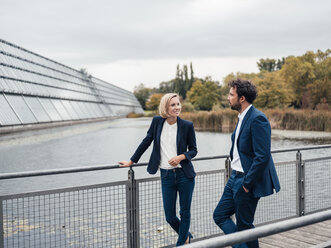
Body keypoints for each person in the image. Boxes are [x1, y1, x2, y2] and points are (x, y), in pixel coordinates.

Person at [119, 93, 197, 246]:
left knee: (185, 212)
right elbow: (146, 141)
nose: (177, 107)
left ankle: (182, 243)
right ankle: (186, 236)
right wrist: (131, 160)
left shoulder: (187, 126)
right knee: (169, 216)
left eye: (178, 104)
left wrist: (181, 157)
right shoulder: (157, 122)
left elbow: (194, 150)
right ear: (165, 107)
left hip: (184, 175)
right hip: (166, 174)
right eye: (173, 105)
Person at [213, 79, 280, 248]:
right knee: (220, 215)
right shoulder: (242, 117)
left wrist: (247, 184)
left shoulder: (258, 118)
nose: (228, 98)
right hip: (234, 177)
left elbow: (262, 156)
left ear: (242, 98)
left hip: (245, 180)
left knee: (245, 225)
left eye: (231, 95)